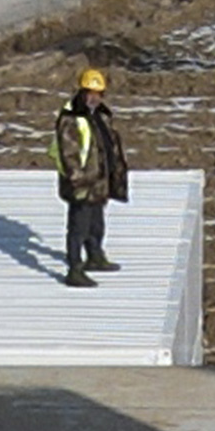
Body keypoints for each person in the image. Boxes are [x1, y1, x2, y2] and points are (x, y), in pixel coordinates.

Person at [53, 65, 129, 287]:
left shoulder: (100, 116)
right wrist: (78, 180)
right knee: (78, 226)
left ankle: (95, 256)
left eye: (98, 93)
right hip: (82, 183)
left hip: (99, 182)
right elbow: (69, 153)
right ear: (82, 92)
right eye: (90, 93)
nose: (94, 98)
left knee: (96, 223)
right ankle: (74, 269)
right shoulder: (71, 118)